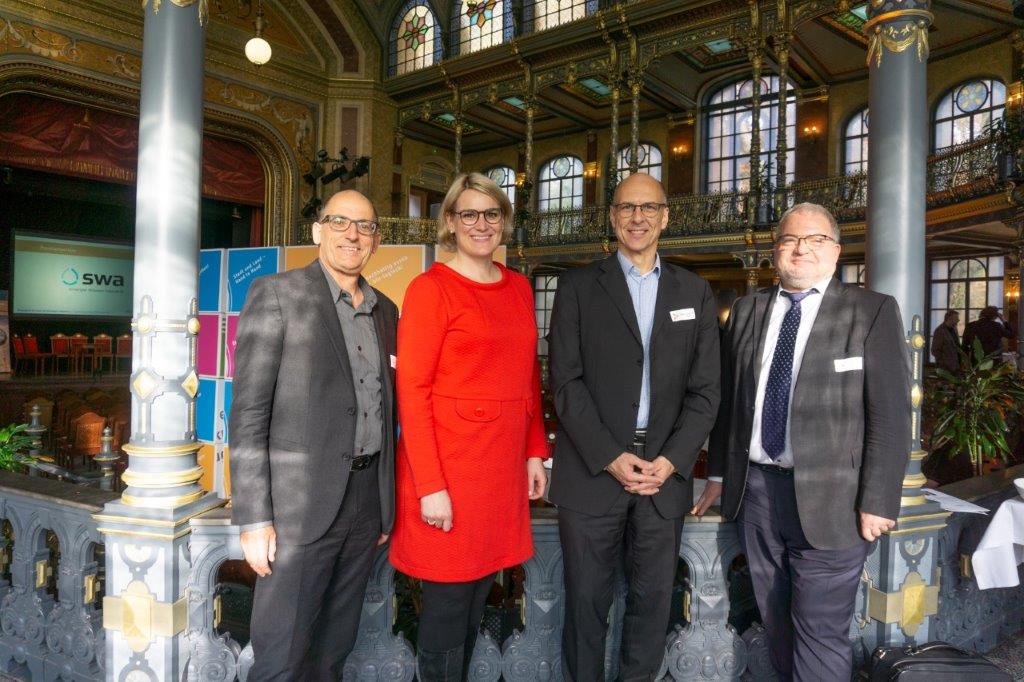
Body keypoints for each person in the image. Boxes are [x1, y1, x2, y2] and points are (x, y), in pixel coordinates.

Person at [693, 202, 911, 681]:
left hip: (837, 501)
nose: (800, 249)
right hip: (756, 494)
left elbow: (892, 416)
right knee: (775, 622)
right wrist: (718, 473)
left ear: (835, 250)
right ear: (775, 251)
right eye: (790, 239)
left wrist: (878, 499)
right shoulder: (747, 310)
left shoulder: (870, 310)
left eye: (814, 239)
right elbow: (729, 401)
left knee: (820, 630)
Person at [548, 172, 721, 681]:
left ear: (666, 217)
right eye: (626, 207)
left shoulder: (695, 290)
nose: (637, 217)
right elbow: (565, 383)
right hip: (592, 471)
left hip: (663, 475)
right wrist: (609, 456)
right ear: (612, 217)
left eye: (648, 208)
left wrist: (670, 461)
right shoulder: (577, 287)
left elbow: (706, 391)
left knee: (652, 607)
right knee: (585, 606)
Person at [230, 189, 398, 681]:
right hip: (297, 509)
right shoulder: (277, 293)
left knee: (333, 652)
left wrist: (383, 501)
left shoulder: (387, 310)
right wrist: (254, 518)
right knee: (282, 657)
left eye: (365, 226)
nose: (353, 235)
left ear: (376, 240)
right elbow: (249, 412)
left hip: (366, 503)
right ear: (317, 231)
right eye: (340, 222)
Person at [388, 172, 548, 681]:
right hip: (451, 473)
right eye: (469, 214)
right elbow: (412, 392)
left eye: (492, 213)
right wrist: (430, 486)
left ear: (505, 221)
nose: (482, 224)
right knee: (448, 605)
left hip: (499, 471)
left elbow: (528, 377)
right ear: (451, 223)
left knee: (479, 594)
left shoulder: (518, 286)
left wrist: (535, 451)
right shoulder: (430, 289)